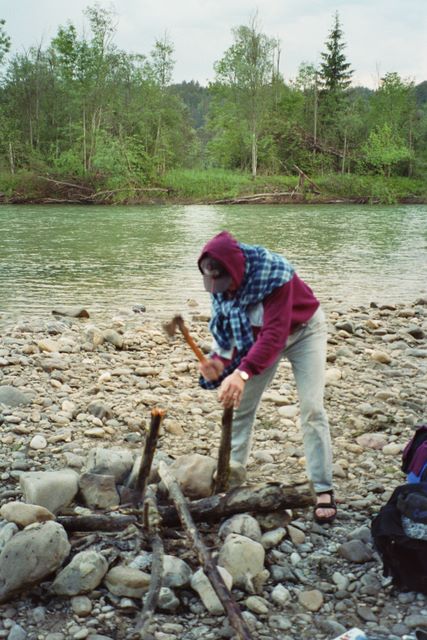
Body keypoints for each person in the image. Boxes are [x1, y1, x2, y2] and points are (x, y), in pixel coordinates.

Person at [197, 230, 336, 524]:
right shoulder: (220, 288)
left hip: (303, 332)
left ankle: (322, 487)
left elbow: (275, 335)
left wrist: (243, 372)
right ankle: (232, 476)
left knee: (312, 408)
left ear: (236, 269)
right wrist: (218, 365)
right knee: (238, 405)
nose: (220, 289)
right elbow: (226, 338)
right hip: (258, 340)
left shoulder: (274, 273)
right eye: (213, 283)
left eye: (223, 281)